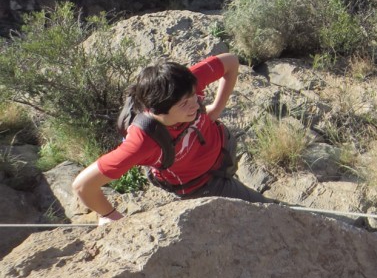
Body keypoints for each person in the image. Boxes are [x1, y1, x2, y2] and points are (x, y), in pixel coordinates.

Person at [72, 52, 267, 225]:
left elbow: (231, 61)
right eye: (184, 104)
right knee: (265, 211)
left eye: (194, 96)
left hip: (222, 147)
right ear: (158, 111)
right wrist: (110, 215)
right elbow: (83, 185)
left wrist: (216, 108)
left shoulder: (182, 85)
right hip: (202, 184)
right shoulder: (142, 142)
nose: (195, 104)